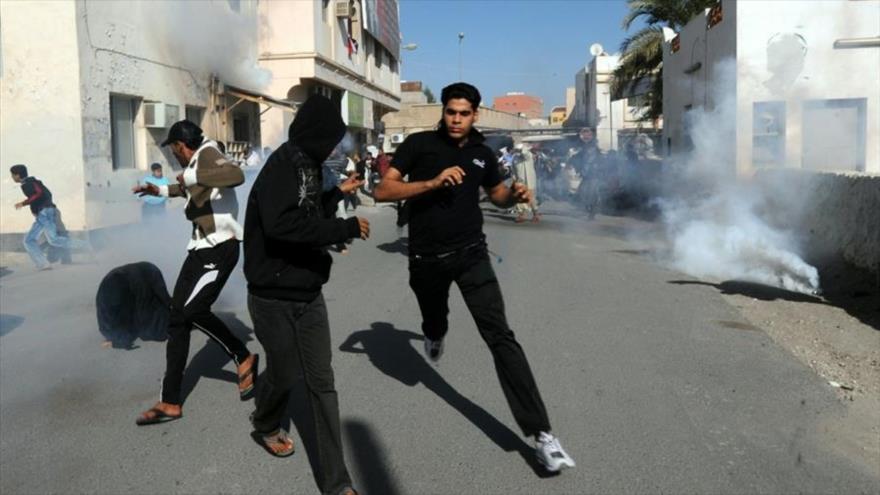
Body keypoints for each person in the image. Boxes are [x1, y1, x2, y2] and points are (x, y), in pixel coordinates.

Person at [373, 82, 575, 473]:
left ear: (475, 115)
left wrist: (512, 196)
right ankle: (433, 333)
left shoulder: (483, 154)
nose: (456, 119)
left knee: (500, 336)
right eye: (451, 112)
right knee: (435, 319)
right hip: (426, 258)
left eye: (464, 113)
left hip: (472, 256)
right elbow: (383, 190)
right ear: (444, 111)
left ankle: (542, 435)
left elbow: (495, 193)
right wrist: (431, 183)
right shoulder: (419, 145)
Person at [243, 95, 367, 495]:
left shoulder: (309, 166)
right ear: (314, 133)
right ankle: (265, 422)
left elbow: (307, 213)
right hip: (272, 296)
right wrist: (344, 228)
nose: (335, 146)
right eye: (330, 138)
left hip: (308, 293)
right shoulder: (284, 165)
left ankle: (337, 483)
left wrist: (335, 195)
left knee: (322, 383)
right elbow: (283, 226)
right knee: (285, 372)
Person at [131, 120, 258, 426]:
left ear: (181, 145)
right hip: (200, 248)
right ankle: (170, 401)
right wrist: (158, 189)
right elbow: (190, 188)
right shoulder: (199, 164)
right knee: (177, 318)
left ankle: (243, 356)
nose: (175, 156)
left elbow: (235, 175)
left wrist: (188, 174)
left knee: (193, 310)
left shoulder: (209, 152)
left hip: (220, 247)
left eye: (174, 150)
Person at [10, 164, 89, 270]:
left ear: (18, 175)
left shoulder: (27, 184)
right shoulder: (34, 182)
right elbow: (45, 194)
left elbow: (38, 194)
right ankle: (43, 264)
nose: (12, 178)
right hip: (44, 213)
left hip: (44, 214)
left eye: (13, 175)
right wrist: (40, 209)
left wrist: (24, 203)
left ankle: (86, 245)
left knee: (53, 240)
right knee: (29, 240)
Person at [513, 144, 540, 223]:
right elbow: (514, 169)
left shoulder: (528, 155)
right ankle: (521, 215)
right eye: (517, 150)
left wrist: (525, 148)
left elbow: (525, 154)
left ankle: (536, 215)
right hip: (520, 181)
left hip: (529, 181)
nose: (518, 151)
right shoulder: (515, 158)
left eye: (519, 150)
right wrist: (514, 179)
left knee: (531, 199)